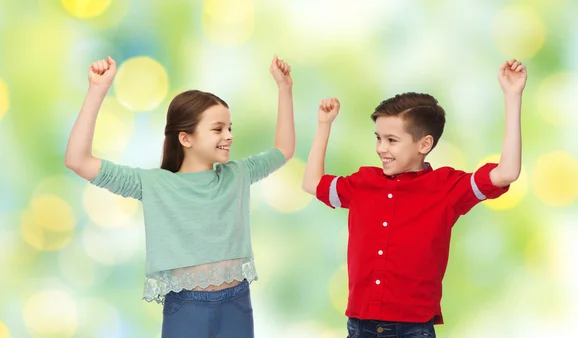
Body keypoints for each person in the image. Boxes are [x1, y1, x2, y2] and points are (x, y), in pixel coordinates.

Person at [65, 55, 295, 338]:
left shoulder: (238, 174)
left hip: (237, 303)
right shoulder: (153, 184)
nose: (229, 136)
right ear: (185, 138)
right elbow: (77, 160)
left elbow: (284, 149)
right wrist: (97, 90)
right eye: (218, 129)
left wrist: (285, 89)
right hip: (185, 309)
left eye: (230, 127)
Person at [302, 59, 526, 338]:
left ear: (424, 144)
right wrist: (324, 125)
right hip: (359, 327)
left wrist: (512, 96)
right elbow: (311, 183)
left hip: (413, 330)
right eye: (378, 138)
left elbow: (507, 172)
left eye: (392, 140)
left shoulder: (446, 188)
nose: (381, 148)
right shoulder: (362, 183)